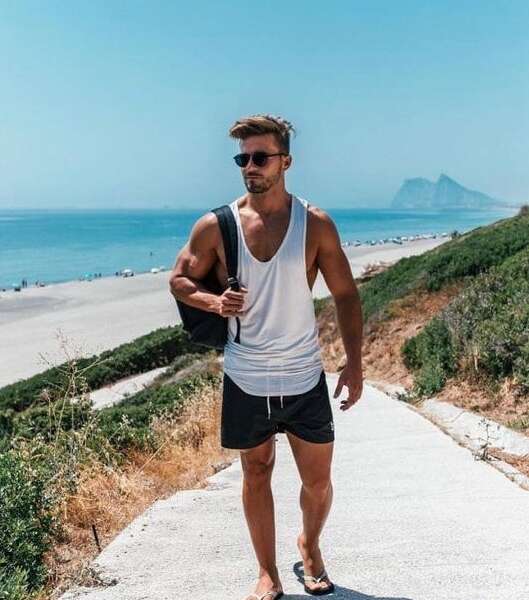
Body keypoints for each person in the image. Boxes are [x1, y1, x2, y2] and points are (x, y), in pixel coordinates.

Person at [169, 114, 363, 599]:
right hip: (245, 375)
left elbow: (345, 294)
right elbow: (179, 279)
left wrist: (355, 363)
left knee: (318, 482)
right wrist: (214, 302)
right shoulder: (217, 226)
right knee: (255, 473)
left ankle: (310, 546)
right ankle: (267, 572)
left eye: (260, 157)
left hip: (304, 374)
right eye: (243, 159)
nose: (250, 167)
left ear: (286, 162)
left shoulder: (314, 224)